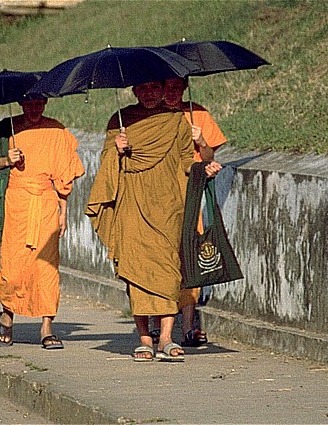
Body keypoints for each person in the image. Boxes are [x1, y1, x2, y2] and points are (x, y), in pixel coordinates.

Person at [85, 80, 222, 362]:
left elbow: (186, 161)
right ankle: (145, 338)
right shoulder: (120, 121)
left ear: (162, 91)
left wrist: (202, 169)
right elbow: (106, 163)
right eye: (142, 89)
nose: (148, 94)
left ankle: (167, 338)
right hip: (132, 205)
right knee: (136, 271)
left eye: (154, 89)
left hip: (168, 206)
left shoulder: (176, 121)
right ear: (134, 92)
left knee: (170, 270)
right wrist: (117, 150)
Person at [0, 96, 84, 349]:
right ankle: (7, 317)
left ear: (46, 103)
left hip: (46, 205)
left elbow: (63, 179)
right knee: (14, 267)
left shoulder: (56, 130)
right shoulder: (8, 129)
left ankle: (47, 327)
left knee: (47, 268)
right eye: (29, 104)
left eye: (39, 104)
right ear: (21, 104)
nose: (34, 109)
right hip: (17, 205)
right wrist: (8, 159)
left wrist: (64, 212)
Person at [149, 77, 229, 347]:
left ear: (184, 89)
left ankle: (188, 326)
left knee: (189, 256)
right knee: (160, 257)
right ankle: (157, 322)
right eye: (166, 87)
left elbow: (209, 157)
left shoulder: (197, 113)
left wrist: (201, 139)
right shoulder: (152, 115)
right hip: (159, 195)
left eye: (176, 88)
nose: (170, 93)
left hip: (190, 193)